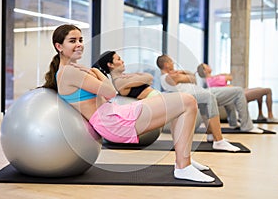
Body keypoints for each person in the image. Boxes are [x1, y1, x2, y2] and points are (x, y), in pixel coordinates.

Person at [42, 24, 214, 182]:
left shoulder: (71, 70)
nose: (79, 44)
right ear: (59, 46)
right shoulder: (71, 72)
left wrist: (93, 73)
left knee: (183, 104)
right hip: (113, 122)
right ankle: (183, 166)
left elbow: (108, 95)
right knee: (188, 101)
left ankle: (184, 160)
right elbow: (110, 92)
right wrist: (96, 71)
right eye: (72, 41)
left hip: (115, 114)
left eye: (80, 40)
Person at [95, 50, 240, 152]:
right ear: (111, 65)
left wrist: (136, 77)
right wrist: (137, 76)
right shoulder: (119, 82)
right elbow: (147, 78)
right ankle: (218, 141)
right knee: (205, 97)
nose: (122, 60)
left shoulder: (124, 78)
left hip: (158, 100)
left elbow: (148, 77)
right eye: (118, 59)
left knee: (200, 99)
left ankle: (193, 151)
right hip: (154, 105)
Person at [156, 54, 263, 134]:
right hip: (201, 94)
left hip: (200, 92)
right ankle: (247, 127)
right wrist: (182, 73)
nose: (173, 63)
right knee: (238, 91)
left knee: (232, 93)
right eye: (171, 61)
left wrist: (181, 73)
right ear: (166, 64)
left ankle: (234, 123)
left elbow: (189, 77)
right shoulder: (169, 77)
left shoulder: (165, 78)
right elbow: (193, 79)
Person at [197, 63, 278, 122]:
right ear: (204, 71)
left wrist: (219, 75)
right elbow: (230, 77)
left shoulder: (210, 80)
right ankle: (270, 116)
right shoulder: (213, 79)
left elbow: (227, 77)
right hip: (238, 96)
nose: (209, 66)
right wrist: (221, 75)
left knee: (259, 90)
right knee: (268, 90)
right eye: (206, 66)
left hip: (238, 93)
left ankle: (260, 115)